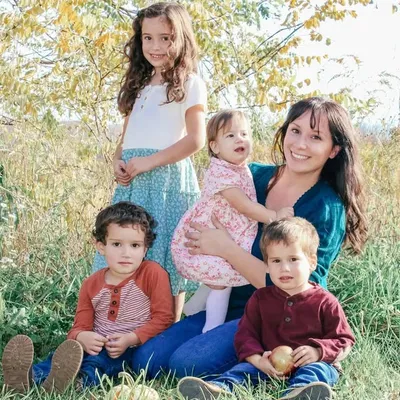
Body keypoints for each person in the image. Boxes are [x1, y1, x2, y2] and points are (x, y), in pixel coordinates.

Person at [130, 97, 368, 380]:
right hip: (228, 302)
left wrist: (226, 249)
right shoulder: (250, 176)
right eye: (295, 131)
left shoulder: (325, 206)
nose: (300, 144)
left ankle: (296, 363)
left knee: (186, 363)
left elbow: (299, 286)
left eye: (315, 137)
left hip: (278, 316)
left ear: (334, 150)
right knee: (147, 360)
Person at [91, 2, 207, 321]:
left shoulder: (189, 84)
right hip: (134, 182)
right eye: (148, 38)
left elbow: (196, 139)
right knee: (127, 249)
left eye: (165, 38)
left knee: (165, 253)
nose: (155, 46)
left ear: (181, 39)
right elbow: (126, 137)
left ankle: (166, 329)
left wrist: (150, 162)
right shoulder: (138, 85)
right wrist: (118, 159)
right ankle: (123, 325)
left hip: (167, 181)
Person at [2, 202, 174, 394]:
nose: (126, 253)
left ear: (145, 248)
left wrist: (130, 339)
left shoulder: (152, 273)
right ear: (101, 246)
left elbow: (164, 318)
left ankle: (77, 383)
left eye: (135, 245)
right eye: (116, 244)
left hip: (129, 349)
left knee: (97, 363)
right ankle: (29, 377)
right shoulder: (91, 284)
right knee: (61, 355)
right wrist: (81, 337)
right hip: (95, 343)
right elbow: (79, 326)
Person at [177, 217, 355, 400]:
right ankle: (219, 390)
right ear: (267, 266)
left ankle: (301, 392)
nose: (284, 268)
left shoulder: (325, 301)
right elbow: (245, 335)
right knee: (242, 371)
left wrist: (318, 352)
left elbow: (344, 340)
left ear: (312, 262)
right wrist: (258, 360)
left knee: (316, 371)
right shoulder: (260, 298)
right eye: (276, 261)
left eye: (293, 259)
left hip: (313, 362)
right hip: (270, 364)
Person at [171, 109, 293, 333]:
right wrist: (274, 217)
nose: (240, 139)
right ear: (215, 147)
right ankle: (212, 327)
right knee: (222, 281)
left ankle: (195, 307)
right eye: (230, 135)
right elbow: (243, 205)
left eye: (244, 134)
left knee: (220, 274)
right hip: (207, 232)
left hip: (223, 230)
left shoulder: (237, 167)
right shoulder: (222, 173)